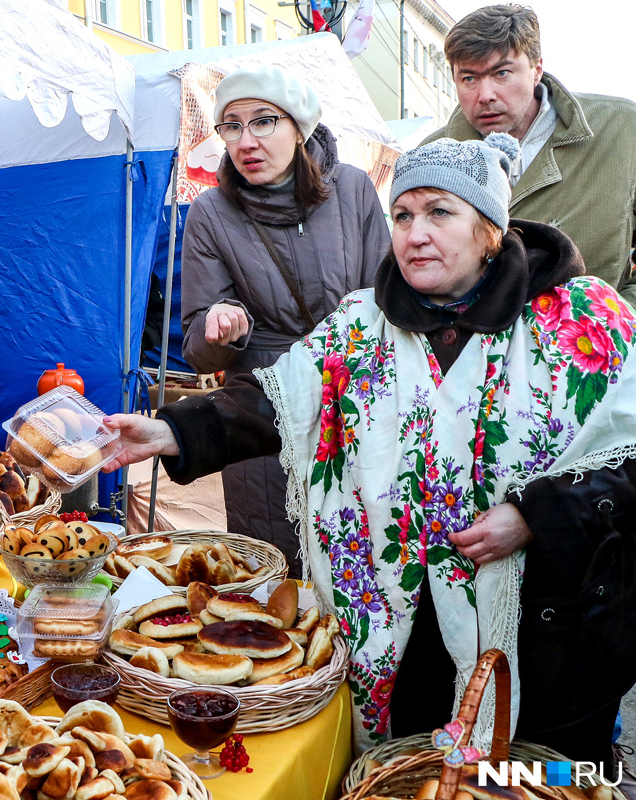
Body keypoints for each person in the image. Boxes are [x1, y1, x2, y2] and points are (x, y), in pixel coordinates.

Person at [104, 134, 636, 767]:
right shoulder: (363, 323)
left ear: (490, 227)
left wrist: (536, 515)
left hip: (545, 628)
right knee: (409, 770)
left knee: (535, 777)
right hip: (397, 621)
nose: (414, 234)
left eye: (440, 212)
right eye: (403, 215)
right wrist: (172, 431)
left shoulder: (581, 321)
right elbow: (279, 400)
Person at [179, 65, 390, 576]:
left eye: (264, 122)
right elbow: (196, 348)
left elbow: (387, 303)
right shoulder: (210, 213)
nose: (246, 140)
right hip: (260, 404)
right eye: (232, 126)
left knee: (363, 558)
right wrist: (223, 327)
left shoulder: (354, 190)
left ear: (300, 127)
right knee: (275, 563)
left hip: (354, 395)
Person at [424, 3, 636, 303]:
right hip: (475, 345)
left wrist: (622, 318)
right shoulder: (430, 156)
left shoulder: (621, 129)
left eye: (501, 73)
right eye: (469, 78)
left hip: (597, 342)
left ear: (536, 69)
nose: (485, 95)